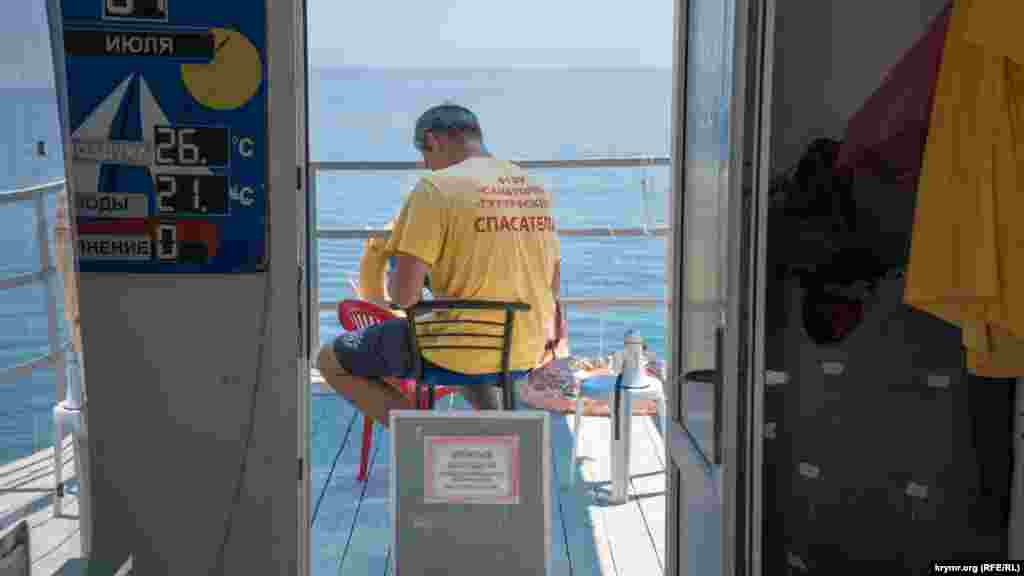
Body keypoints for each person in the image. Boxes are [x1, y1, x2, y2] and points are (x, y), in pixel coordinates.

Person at [316, 103, 562, 423]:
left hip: (458, 347)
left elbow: (405, 296)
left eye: (424, 154)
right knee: (469, 355)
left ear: (433, 140)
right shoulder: (533, 187)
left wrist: (402, 280)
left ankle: (423, 436)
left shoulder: (435, 187)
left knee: (330, 359)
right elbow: (553, 281)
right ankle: (496, 434)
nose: (426, 165)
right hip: (527, 347)